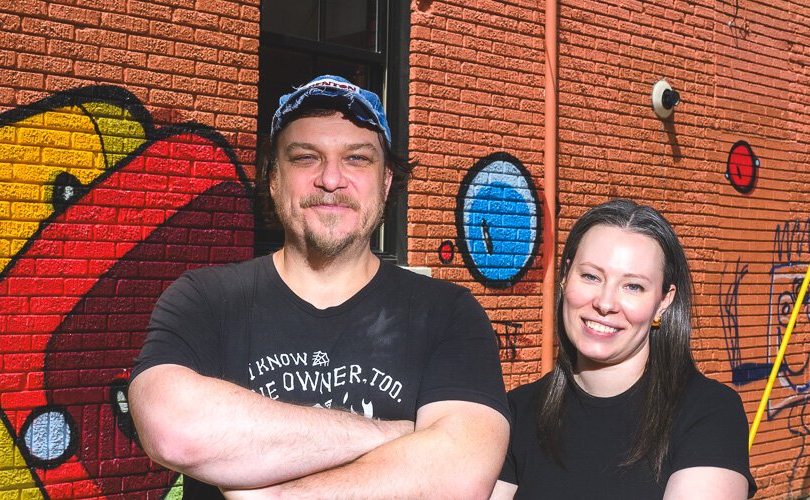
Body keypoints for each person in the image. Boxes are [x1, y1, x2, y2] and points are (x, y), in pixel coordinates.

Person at [130, 75, 509, 498]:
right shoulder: (205, 299)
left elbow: (459, 475)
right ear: (274, 180)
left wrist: (273, 493)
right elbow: (174, 432)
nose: (331, 180)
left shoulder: (447, 312)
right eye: (306, 158)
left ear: (385, 184)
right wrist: (395, 436)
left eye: (357, 159)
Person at [492, 200, 754, 499]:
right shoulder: (515, 413)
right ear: (566, 276)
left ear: (664, 301)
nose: (605, 303)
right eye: (591, 276)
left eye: (633, 286)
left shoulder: (708, 413)